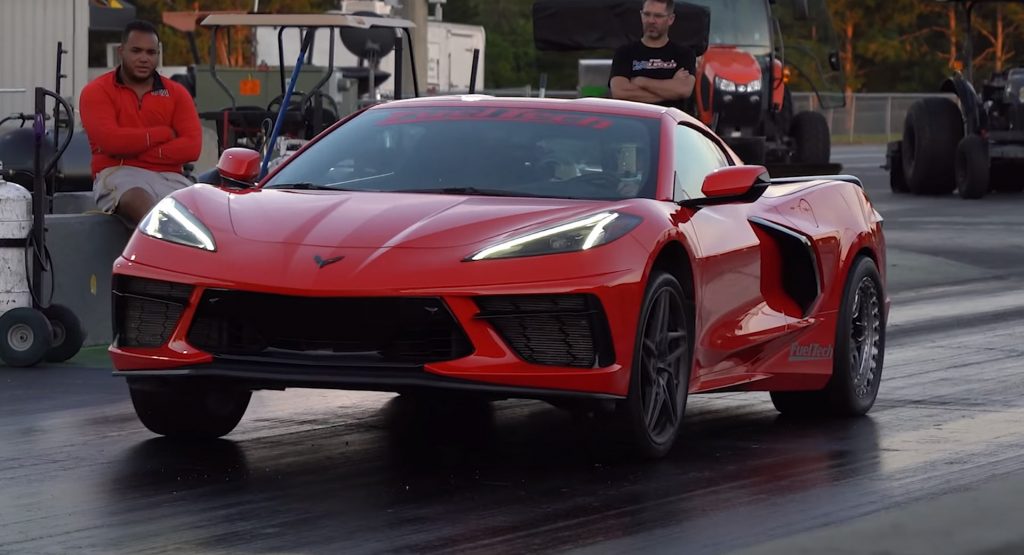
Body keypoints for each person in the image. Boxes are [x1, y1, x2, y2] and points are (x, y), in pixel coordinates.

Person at [80, 20, 202, 227]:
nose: (144, 58)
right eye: (136, 51)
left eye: (151, 52)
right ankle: (163, 245)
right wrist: (163, 134)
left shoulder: (177, 93)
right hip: (120, 173)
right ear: (121, 51)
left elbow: (192, 147)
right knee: (144, 205)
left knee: (204, 212)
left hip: (171, 177)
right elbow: (111, 142)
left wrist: (133, 150)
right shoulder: (96, 91)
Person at [609, 0, 696, 112]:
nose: (651, 21)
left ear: (671, 19)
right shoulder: (624, 53)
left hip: (670, 121)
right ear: (641, 15)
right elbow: (620, 92)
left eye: (658, 16)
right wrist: (670, 91)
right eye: (647, 14)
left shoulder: (684, 54)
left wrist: (641, 81)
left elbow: (683, 90)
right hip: (635, 120)